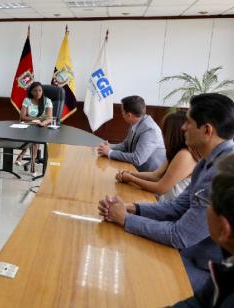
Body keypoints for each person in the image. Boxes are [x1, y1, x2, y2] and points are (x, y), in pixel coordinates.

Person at [97, 93, 234, 294]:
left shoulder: (221, 171)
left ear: (207, 130)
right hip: (191, 254)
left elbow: (179, 235)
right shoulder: (207, 161)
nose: (183, 127)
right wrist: (133, 208)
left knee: (134, 280)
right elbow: (177, 206)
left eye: (188, 122)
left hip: (203, 268)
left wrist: (125, 219)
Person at [173, 154, 234, 307]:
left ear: (224, 229)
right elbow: (201, 301)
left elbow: (179, 234)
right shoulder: (227, 268)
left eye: (208, 201)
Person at [116, 111, 199, 201]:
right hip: (163, 202)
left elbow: (160, 188)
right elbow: (155, 176)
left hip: (170, 208)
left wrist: (131, 179)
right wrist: (130, 174)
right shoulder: (177, 152)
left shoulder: (184, 155)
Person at [97, 95, 166, 172]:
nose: (122, 113)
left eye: (122, 111)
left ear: (129, 115)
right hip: (135, 170)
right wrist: (109, 148)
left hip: (150, 176)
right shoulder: (136, 123)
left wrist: (110, 152)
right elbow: (125, 145)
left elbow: (137, 159)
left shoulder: (150, 130)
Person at [14, 81, 53, 176]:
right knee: (33, 138)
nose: (38, 93)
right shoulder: (27, 100)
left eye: (40, 90)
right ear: (31, 92)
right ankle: (31, 164)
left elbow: (49, 118)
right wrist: (37, 119)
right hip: (29, 125)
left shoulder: (47, 101)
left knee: (34, 140)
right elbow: (23, 117)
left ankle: (25, 158)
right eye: (35, 91)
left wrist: (42, 122)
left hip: (42, 127)